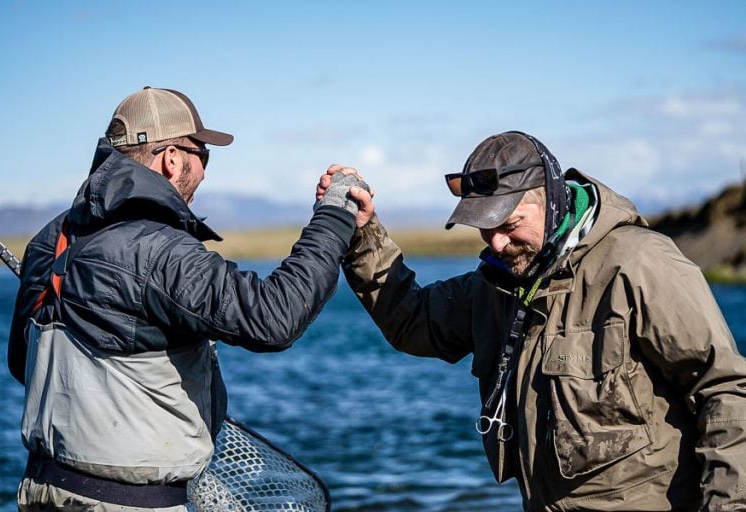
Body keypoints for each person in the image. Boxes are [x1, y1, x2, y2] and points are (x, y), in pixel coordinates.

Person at [319, 131, 746, 510]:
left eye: (510, 224)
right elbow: (412, 320)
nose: (498, 242)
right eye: (485, 230)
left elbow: (726, 391)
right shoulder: (496, 286)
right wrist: (362, 235)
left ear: (552, 197)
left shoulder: (639, 264)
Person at [7, 86, 372, 511]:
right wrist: (334, 215)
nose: (204, 171)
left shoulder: (48, 241)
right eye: (202, 155)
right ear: (172, 159)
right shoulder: (160, 250)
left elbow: (24, 363)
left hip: (39, 491)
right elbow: (275, 317)